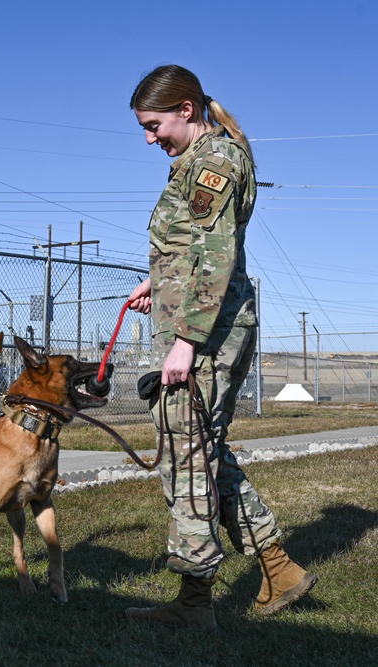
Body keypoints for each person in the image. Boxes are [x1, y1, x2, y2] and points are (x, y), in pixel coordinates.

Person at [123, 65, 317, 628]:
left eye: (153, 124)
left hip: (204, 336)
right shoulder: (200, 160)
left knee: (187, 460)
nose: (149, 137)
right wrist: (156, 280)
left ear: (186, 110)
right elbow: (192, 248)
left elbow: (217, 253)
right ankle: (279, 569)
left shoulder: (215, 162)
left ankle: (194, 605)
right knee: (201, 451)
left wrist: (185, 342)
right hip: (201, 327)